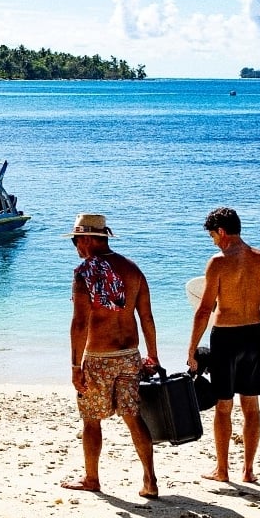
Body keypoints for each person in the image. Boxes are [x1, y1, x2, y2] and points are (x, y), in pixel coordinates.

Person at [61, 213, 160, 498]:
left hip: (99, 358)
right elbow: (147, 318)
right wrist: (152, 355)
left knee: (91, 420)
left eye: (76, 240)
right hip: (130, 355)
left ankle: (92, 479)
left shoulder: (84, 273)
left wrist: (74, 365)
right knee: (133, 416)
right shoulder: (133, 270)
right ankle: (150, 481)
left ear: (89, 239)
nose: (76, 247)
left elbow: (80, 324)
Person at [187, 207, 260, 483]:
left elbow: (204, 310)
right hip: (252, 338)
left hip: (225, 339)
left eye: (213, 235)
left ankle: (222, 470)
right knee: (251, 406)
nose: (213, 240)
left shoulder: (218, 262)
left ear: (222, 232)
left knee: (223, 407)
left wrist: (192, 349)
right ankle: (248, 471)